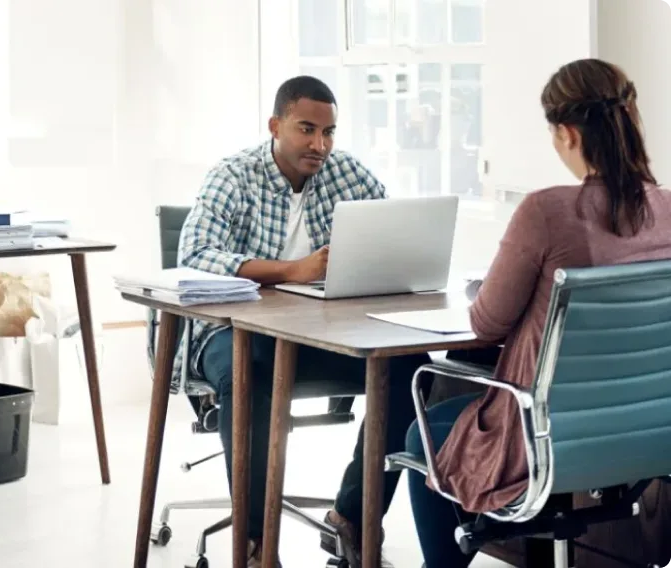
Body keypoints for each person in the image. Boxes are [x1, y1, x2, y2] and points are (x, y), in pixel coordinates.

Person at [405, 58, 671, 567]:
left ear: (567, 133)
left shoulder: (546, 212)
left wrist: (481, 291)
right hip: (650, 437)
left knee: (424, 433)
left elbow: (487, 323)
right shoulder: (669, 207)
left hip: (551, 440)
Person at [178, 75, 430, 567]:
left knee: (412, 370)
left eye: (329, 132)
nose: (320, 145)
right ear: (276, 125)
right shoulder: (233, 175)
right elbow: (196, 253)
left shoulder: (348, 175)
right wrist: (292, 271)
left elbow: (395, 237)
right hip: (233, 331)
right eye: (306, 129)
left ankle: (352, 518)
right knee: (248, 370)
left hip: (318, 333)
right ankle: (252, 542)